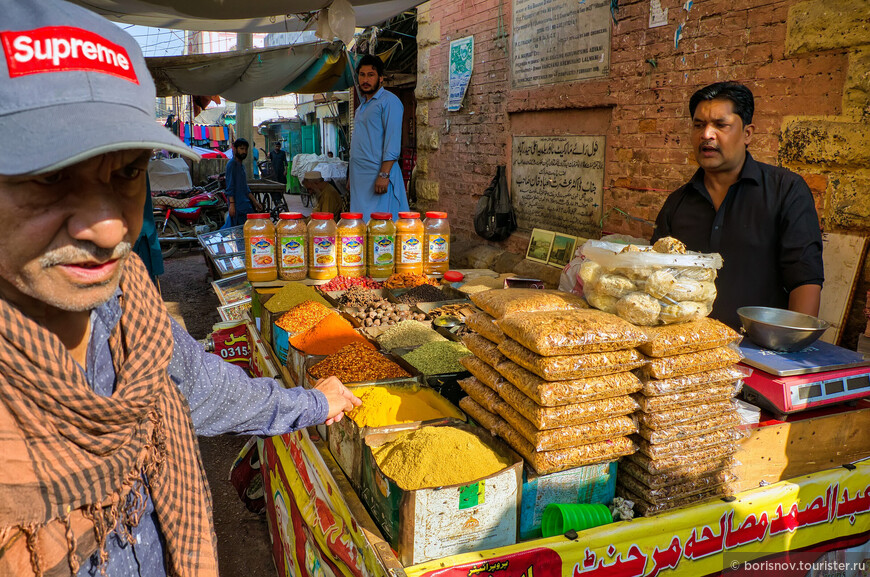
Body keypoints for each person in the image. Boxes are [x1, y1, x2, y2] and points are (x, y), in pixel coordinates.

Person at [0, 2, 361, 576]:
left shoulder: (130, 315)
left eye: (126, 172)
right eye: (50, 174)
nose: (110, 227)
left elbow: (212, 389)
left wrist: (315, 403)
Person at [651, 81, 824, 329]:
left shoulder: (786, 191)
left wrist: (791, 349)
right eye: (699, 125)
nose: (707, 135)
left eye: (721, 125)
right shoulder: (678, 202)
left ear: (747, 134)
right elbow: (654, 277)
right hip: (688, 349)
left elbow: (805, 279)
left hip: (760, 349)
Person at [349, 54, 410, 221]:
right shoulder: (362, 107)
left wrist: (384, 175)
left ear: (381, 78)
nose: (365, 80)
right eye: (362, 75)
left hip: (379, 177)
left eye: (371, 75)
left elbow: (392, 139)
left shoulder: (389, 102)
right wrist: (350, 176)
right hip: (360, 180)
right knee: (362, 227)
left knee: (382, 228)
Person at [226, 137, 261, 226]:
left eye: (245, 149)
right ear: (235, 149)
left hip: (245, 205)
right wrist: (232, 205)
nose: (244, 152)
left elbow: (245, 187)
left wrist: (255, 202)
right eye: (241, 149)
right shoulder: (232, 165)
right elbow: (230, 187)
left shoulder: (241, 166)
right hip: (238, 206)